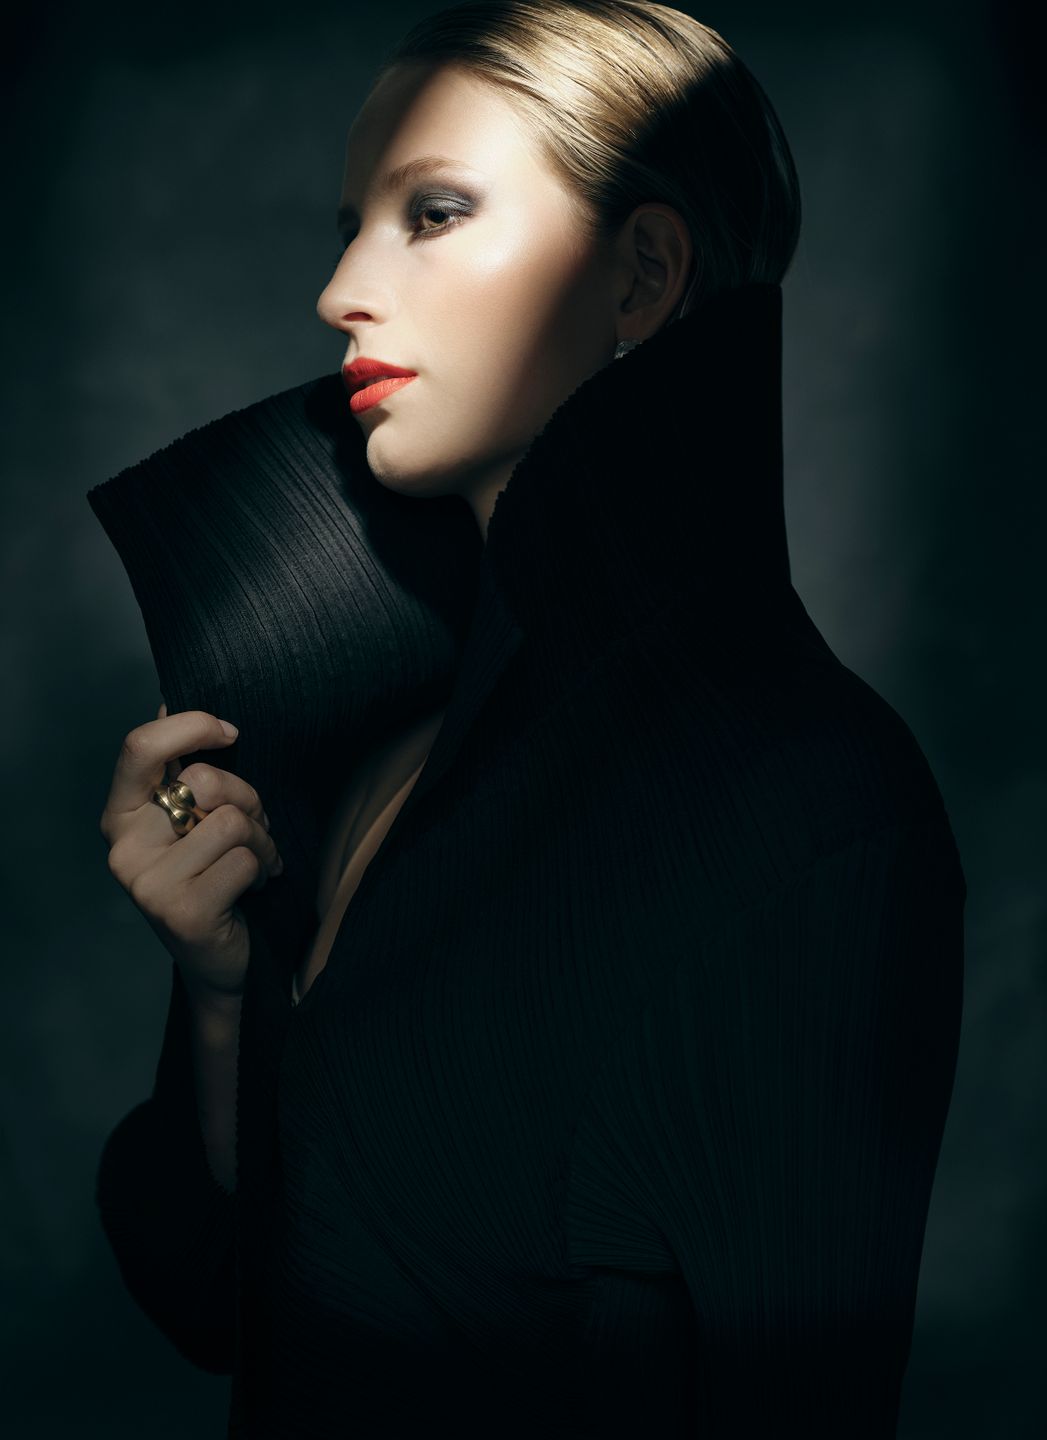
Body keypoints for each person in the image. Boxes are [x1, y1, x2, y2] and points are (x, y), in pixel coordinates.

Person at [90, 4, 966, 1435]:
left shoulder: (813, 805)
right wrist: (218, 993)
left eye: (431, 212)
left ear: (644, 273)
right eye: (353, 220)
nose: (339, 290)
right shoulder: (356, 733)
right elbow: (206, 1306)